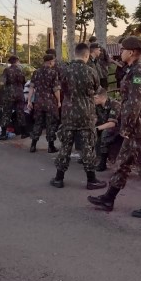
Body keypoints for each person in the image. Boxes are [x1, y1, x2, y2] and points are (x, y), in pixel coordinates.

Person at [87, 36, 141, 218]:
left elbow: (134, 104)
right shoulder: (134, 69)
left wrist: (126, 128)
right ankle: (108, 198)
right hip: (136, 127)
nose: (120, 52)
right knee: (122, 164)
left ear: (132, 52)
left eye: (122, 50)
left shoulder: (138, 71)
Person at [49, 43, 106, 190]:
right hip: (86, 113)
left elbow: (62, 89)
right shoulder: (91, 71)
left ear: (75, 53)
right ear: (86, 55)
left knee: (66, 145)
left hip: (68, 113)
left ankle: (58, 178)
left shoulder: (65, 71)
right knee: (87, 146)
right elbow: (96, 90)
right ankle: (91, 180)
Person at [28, 54, 61, 154]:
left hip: (38, 102)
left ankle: (33, 145)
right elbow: (56, 89)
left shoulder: (36, 72)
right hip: (50, 102)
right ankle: (50, 146)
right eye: (54, 61)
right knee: (50, 124)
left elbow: (31, 87)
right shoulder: (53, 73)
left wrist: (29, 101)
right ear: (50, 61)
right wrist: (59, 101)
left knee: (38, 122)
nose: (54, 63)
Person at [0, 55, 28, 139]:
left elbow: (2, 82)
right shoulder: (21, 70)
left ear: (10, 62)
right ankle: (24, 133)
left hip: (9, 94)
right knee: (20, 112)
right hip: (20, 93)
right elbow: (24, 82)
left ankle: (3, 134)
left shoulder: (7, 70)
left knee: (6, 113)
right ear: (17, 61)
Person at [94, 88, 122, 172]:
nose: (93, 100)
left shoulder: (114, 104)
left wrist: (97, 128)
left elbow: (112, 123)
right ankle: (89, 155)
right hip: (104, 125)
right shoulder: (97, 105)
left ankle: (103, 162)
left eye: (95, 98)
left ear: (102, 97)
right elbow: (94, 118)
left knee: (105, 134)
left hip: (117, 127)